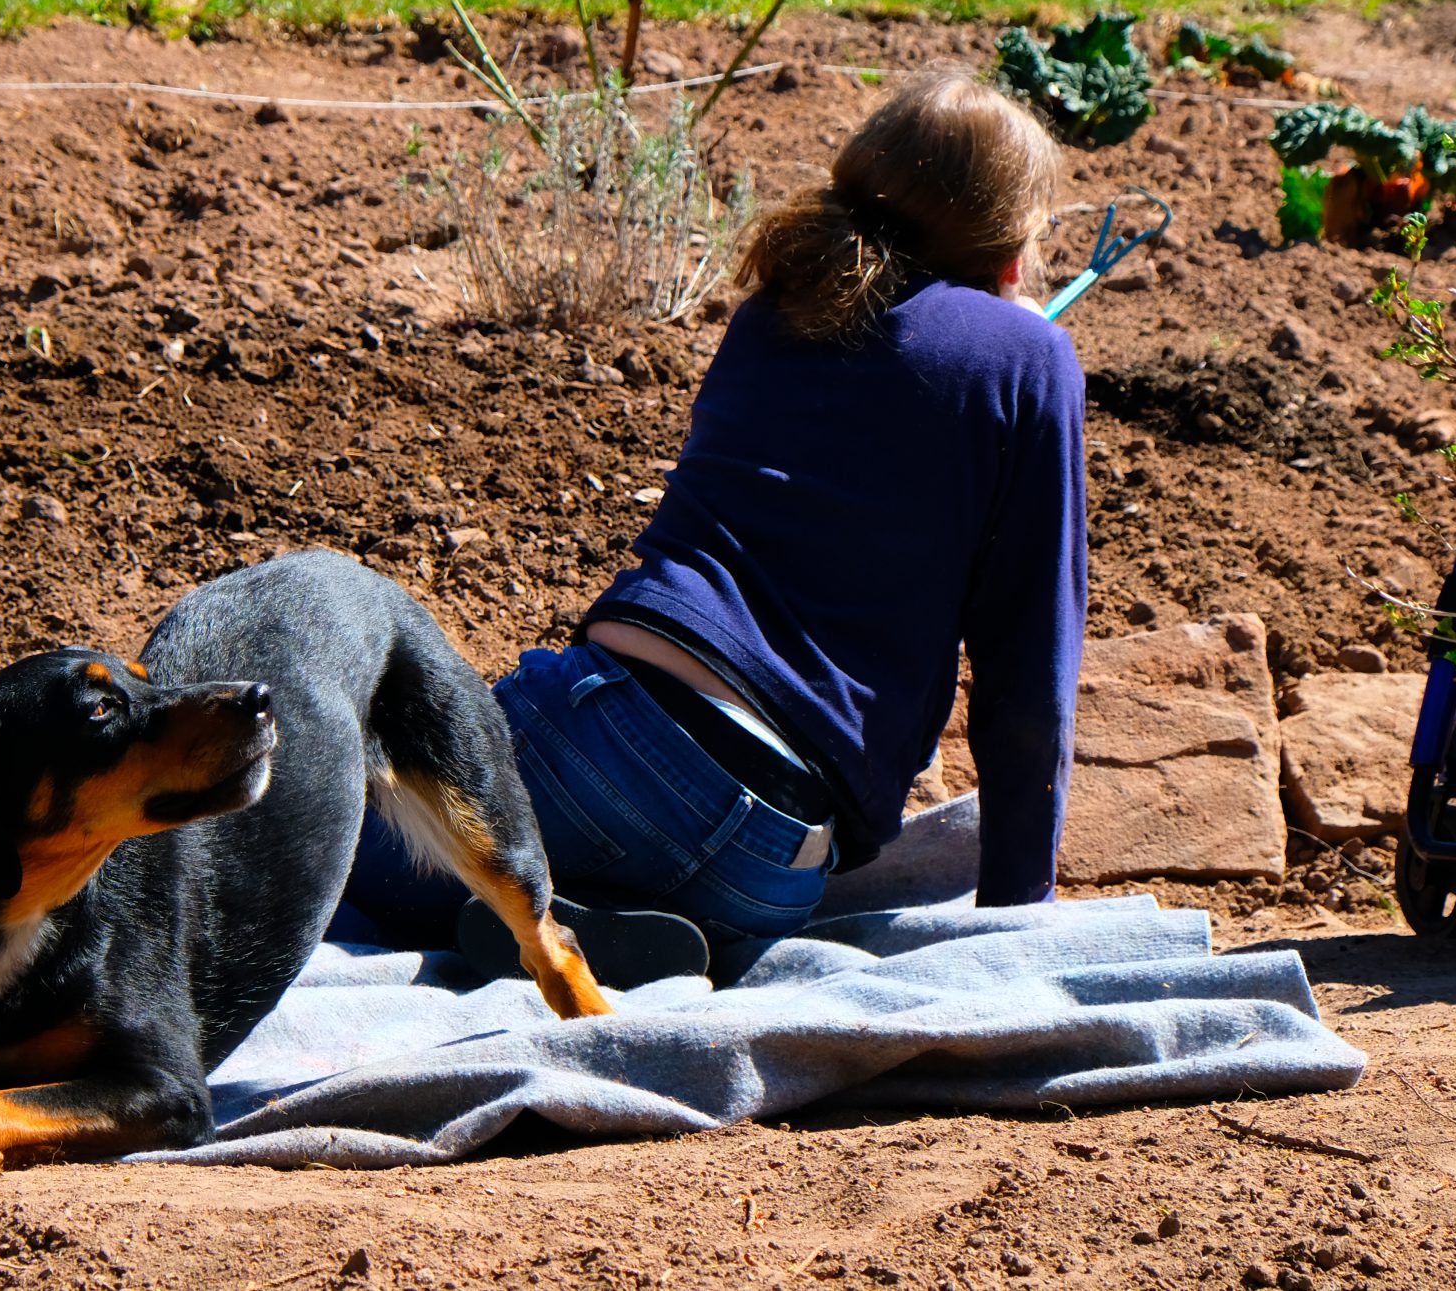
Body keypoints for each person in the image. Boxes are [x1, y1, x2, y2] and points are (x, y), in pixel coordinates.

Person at [335, 68, 1088, 978]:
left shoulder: (777, 314)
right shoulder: (1030, 358)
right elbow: (1027, 676)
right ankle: (605, 916)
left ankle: (521, 903)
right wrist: (1017, 919)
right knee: (540, 851)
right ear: (1009, 247)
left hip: (613, 742)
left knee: (319, 834)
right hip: (771, 860)